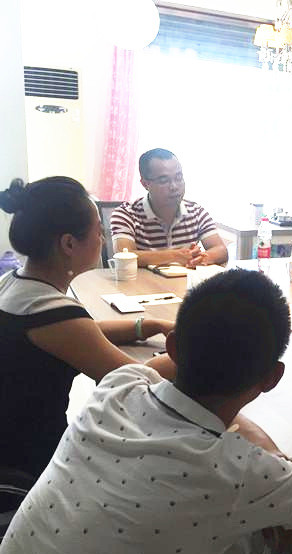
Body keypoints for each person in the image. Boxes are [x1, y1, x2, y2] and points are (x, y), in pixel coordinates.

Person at [0, 269, 292, 554]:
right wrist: (282, 468)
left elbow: (163, 376)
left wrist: (273, 462)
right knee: (265, 548)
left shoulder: (117, 387)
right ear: (272, 378)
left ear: (173, 346)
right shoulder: (236, 472)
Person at [0, 177, 174, 479]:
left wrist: (149, 325)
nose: (103, 240)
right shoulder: (55, 313)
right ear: (68, 244)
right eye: (99, 231)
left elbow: (84, 331)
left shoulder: (14, 283)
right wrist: (199, 346)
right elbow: (138, 380)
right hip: (32, 464)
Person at [110, 148, 228, 267]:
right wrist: (176, 256)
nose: (174, 186)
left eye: (178, 177)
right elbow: (124, 255)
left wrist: (199, 259)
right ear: (145, 184)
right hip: (144, 279)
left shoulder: (196, 212)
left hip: (186, 279)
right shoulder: (126, 214)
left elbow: (221, 250)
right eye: (164, 180)